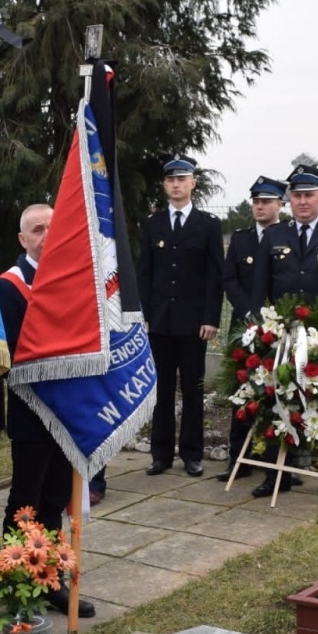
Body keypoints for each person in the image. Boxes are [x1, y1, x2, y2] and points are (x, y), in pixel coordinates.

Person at [0, 202, 94, 616]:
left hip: (69, 412)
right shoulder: (9, 286)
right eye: (37, 229)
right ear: (23, 239)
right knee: (27, 500)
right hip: (32, 410)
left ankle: (49, 580)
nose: (46, 234)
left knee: (56, 498)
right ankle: (14, 582)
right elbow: (11, 351)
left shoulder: (74, 280)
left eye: (53, 227)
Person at [250, 165, 318, 498]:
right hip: (281, 335)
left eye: (308, 195)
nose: (302, 202)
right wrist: (262, 327)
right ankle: (276, 473)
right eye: (296, 196)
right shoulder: (274, 236)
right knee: (277, 401)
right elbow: (260, 289)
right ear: (289, 200)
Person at [137, 157, 223, 477]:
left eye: (182, 179)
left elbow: (215, 277)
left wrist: (211, 318)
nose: (176, 184)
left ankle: (192, 454)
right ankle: (160, 455)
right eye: (170, 180)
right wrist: (143, 314)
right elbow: (145, 273)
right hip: (159, 323)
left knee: (192, 390)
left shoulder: (209, 225)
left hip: (193, 325)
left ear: (193, 184)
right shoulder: (153, 224)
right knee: (160, 391)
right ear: (164, 185)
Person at [220, 177, 287, 478]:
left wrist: (273, 316)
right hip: (244, 324)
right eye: (256, 202)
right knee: (242, 389)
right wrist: (249, 312)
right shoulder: (241, 239)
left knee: (281, 392)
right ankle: (239, 459)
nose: (260, 206)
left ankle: (283, 463)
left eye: (267, 201)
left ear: (279, 204)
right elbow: (230, 279)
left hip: (279, 327)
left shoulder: (287, 236)